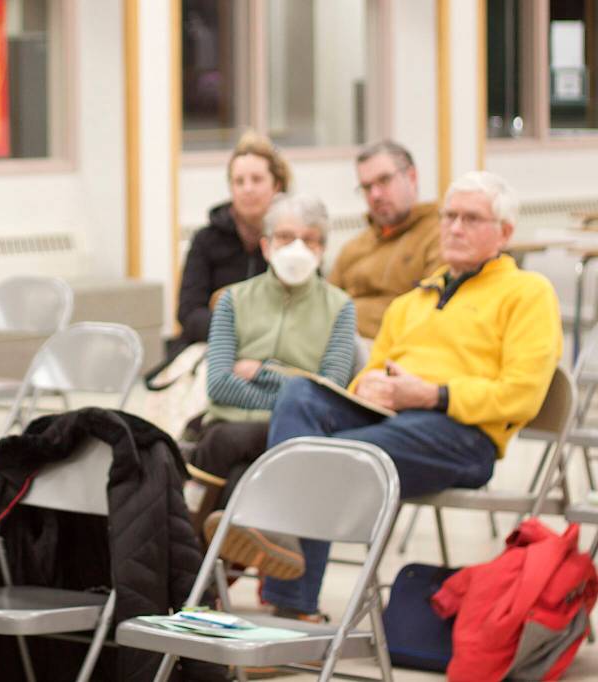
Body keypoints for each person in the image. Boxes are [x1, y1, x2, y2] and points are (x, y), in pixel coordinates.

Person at [258, 171, 562, 620]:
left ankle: (277, 541)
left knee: (328, 454)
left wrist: (434, 395)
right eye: (449, 216)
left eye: (471, 218)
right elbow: (373, 371)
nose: (455, 228)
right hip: (393, 420)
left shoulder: (527, 293)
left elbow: (522, 395)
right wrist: (367, 386)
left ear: (505, 232)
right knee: (301, 394)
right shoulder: (412, 300)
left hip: (463, 435)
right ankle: (284, 548)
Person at [192, 194, 356, 581]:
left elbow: (327, 393)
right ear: (266, 246)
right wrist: (296, 384)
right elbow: (219, 385)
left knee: (225, 443)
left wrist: (264, 371)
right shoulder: (233, 300)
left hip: (292, 433)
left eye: (309, 239)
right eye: (285, 237)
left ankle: (200, 575)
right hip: (230, 423)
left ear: (322, 249)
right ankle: (230, 568)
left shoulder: (340, 307)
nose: (297, 247)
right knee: (233, 458)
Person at [169, 131, 291, 358]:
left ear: (277, 185)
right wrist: (239, 330)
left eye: (257, 179)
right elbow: (188, 313)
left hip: (277, 351)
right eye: (239, 181)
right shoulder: (205, 240)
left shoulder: (294, 240)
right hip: (212, 347)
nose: (247, 189)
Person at [328, 140, 442, 339]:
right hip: (343, 346)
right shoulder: (353, 247)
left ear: (412, 177)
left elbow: (429, 314)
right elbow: (323, 309)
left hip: (399, 347)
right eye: (367, 187)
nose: (375, 195)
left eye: (384, 180)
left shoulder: (438, 236)